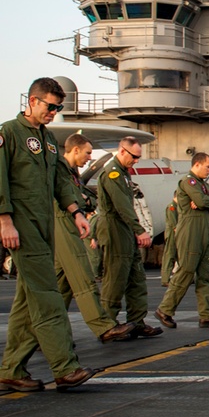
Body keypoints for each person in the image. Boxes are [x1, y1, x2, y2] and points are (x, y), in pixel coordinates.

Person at [0, 79, 99, 392]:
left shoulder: (50, 141)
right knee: (48, 295)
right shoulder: (9, 134)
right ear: (32, 100)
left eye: (58, 108)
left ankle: (11, 368)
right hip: (22, 224)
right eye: (49, 106)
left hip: (45, 225)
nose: (53, 113)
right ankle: (65, 367)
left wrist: (77, 213)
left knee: (28, 299)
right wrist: (5, 222)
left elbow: (60, 182)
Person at [55, 133, 133, 344]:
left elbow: (87, 199)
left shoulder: (71, 173)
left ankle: (43, 337)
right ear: (75, 149)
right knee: (83, 279)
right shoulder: (58, 168)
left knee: (60, 288)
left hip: (70, 224)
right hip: (61, 224)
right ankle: (104, 326)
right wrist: (80, 201)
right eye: (88, 152)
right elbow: (67, 198)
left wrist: (82, 200)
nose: (90, 157)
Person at [155, 154, 209, 329]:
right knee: (186, 272)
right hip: (190, 231)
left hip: (204, 230)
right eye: (208, 166)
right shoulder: (189, 182)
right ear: (197, 164)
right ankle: (165, 309)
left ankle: (207, 315)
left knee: (206, 275)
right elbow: (205, 201)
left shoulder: (204, 185)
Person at [97, 136, 160, 338]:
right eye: (134, 156)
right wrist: (139, 229)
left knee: (136, 279)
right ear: (122, 151)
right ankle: (107, 325)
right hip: (115, 230)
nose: (136, 161)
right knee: (115, 279)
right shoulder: (113, 174)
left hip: (126, 231)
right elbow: (122, 206)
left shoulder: (124, 174)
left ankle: (137, 322)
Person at [160, 198, 178, 287]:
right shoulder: (172, 207)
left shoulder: (177, 206)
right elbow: (173, 223)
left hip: (176, 233)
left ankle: (187, 277)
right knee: (169, 255)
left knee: (181, 256)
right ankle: (165, 279)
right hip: (172, 234)